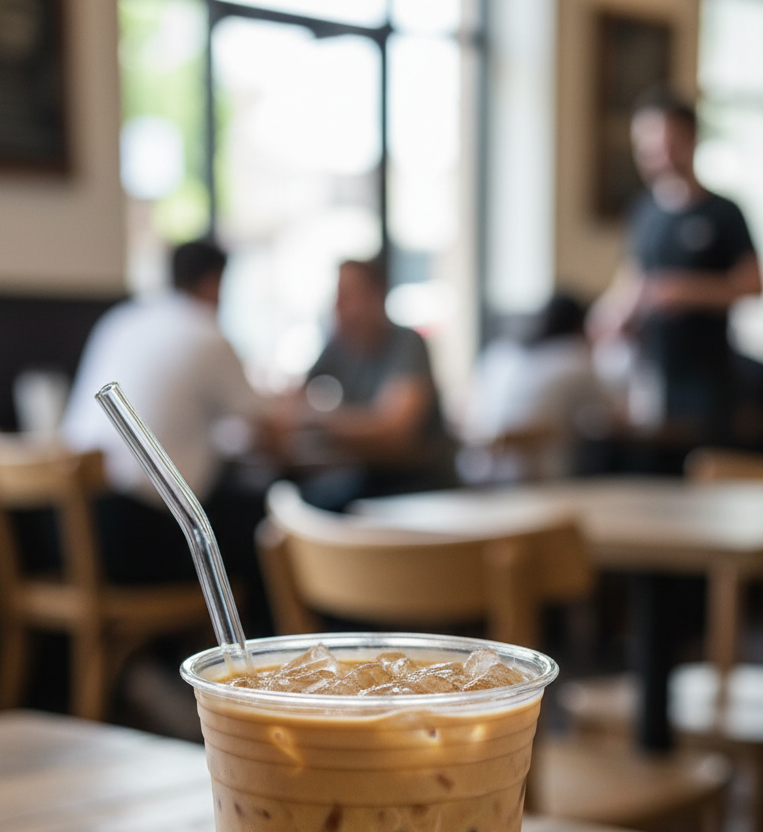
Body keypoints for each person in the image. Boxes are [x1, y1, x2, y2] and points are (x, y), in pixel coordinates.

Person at [62, 238, 279, 627]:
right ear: (214, 282)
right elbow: (269, 433)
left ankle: (154, 670)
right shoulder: (207, 333)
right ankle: (256, 674)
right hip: (132, 538)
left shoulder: (121, 320)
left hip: (64, 530)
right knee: (267, 538)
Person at [589, 88, 763, 439]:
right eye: (648, 146)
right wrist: (611, 314)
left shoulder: (723, 212)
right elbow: (632, 278)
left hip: (709, 374)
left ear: (690, 139)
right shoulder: (644, 212)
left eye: (667, 143)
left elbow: (753, 284)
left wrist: (683, 291)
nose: (658, 155)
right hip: (652, 371)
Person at [272, 256, 455, 508]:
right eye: (337, 295)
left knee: (307, 506)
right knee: (286, 502)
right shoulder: (338, 347)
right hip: (367, 476)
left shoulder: (406, 343)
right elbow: (290, 406)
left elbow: (395, 432)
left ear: (376, 296)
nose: (337, 304)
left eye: (347, 294)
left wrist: (314, 422)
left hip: (416, 485)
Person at [461, 293, 611, 481]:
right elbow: (612, 416)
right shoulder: (574, 356)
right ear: (578, 324)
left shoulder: (501, 352)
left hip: (476, 470)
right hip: (541, 474)